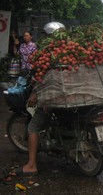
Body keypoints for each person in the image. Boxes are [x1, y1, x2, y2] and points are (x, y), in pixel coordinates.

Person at [13, 22, 65, 176]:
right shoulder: (68, 50)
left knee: (33, 128)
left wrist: (35, 93)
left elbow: (41, 75)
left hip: (54, 97)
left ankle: (31, 165)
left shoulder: (49, 53)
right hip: (71, 96)